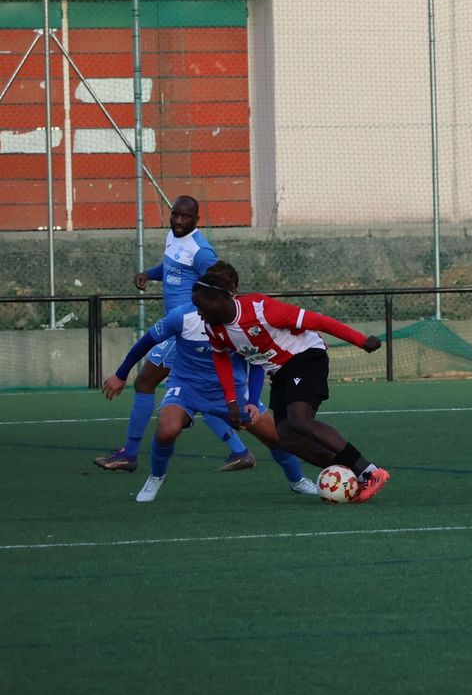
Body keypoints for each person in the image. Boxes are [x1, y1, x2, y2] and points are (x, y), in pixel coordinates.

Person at [100, 264, 319, 503]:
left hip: (231, 394)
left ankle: (297, 481)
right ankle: (156, 476)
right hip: (186, 388)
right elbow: (145, 342)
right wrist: (121, 375)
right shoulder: (182, 317)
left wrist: (253, 401)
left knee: (275, 437)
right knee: (166, 430)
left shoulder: (243, 320)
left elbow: (256, 361)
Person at [188, 262, 391, 503]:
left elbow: (318, 321)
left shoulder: (261, 309)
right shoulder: (214, 328)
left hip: (305, 356)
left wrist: (360, 340)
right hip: (280, 371)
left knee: (300, 420)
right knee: (286, 437)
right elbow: (221, 358)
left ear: (219, 299)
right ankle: (353, 474)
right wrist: (232, 401)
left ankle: (370, 471)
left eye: (201, 306)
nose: (198, 312)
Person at [94, 195, 255, 472]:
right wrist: (149, 273)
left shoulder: (203, 252)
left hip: (187, 328)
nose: (178, 221)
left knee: (144, 382)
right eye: (175, 215)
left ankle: (128, 455)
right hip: (176, 325)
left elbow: (220, 286)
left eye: (185, 217)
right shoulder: (173, 236)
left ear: (196, 220)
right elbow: (172, 268)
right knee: (199, 397)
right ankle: (240, 452)